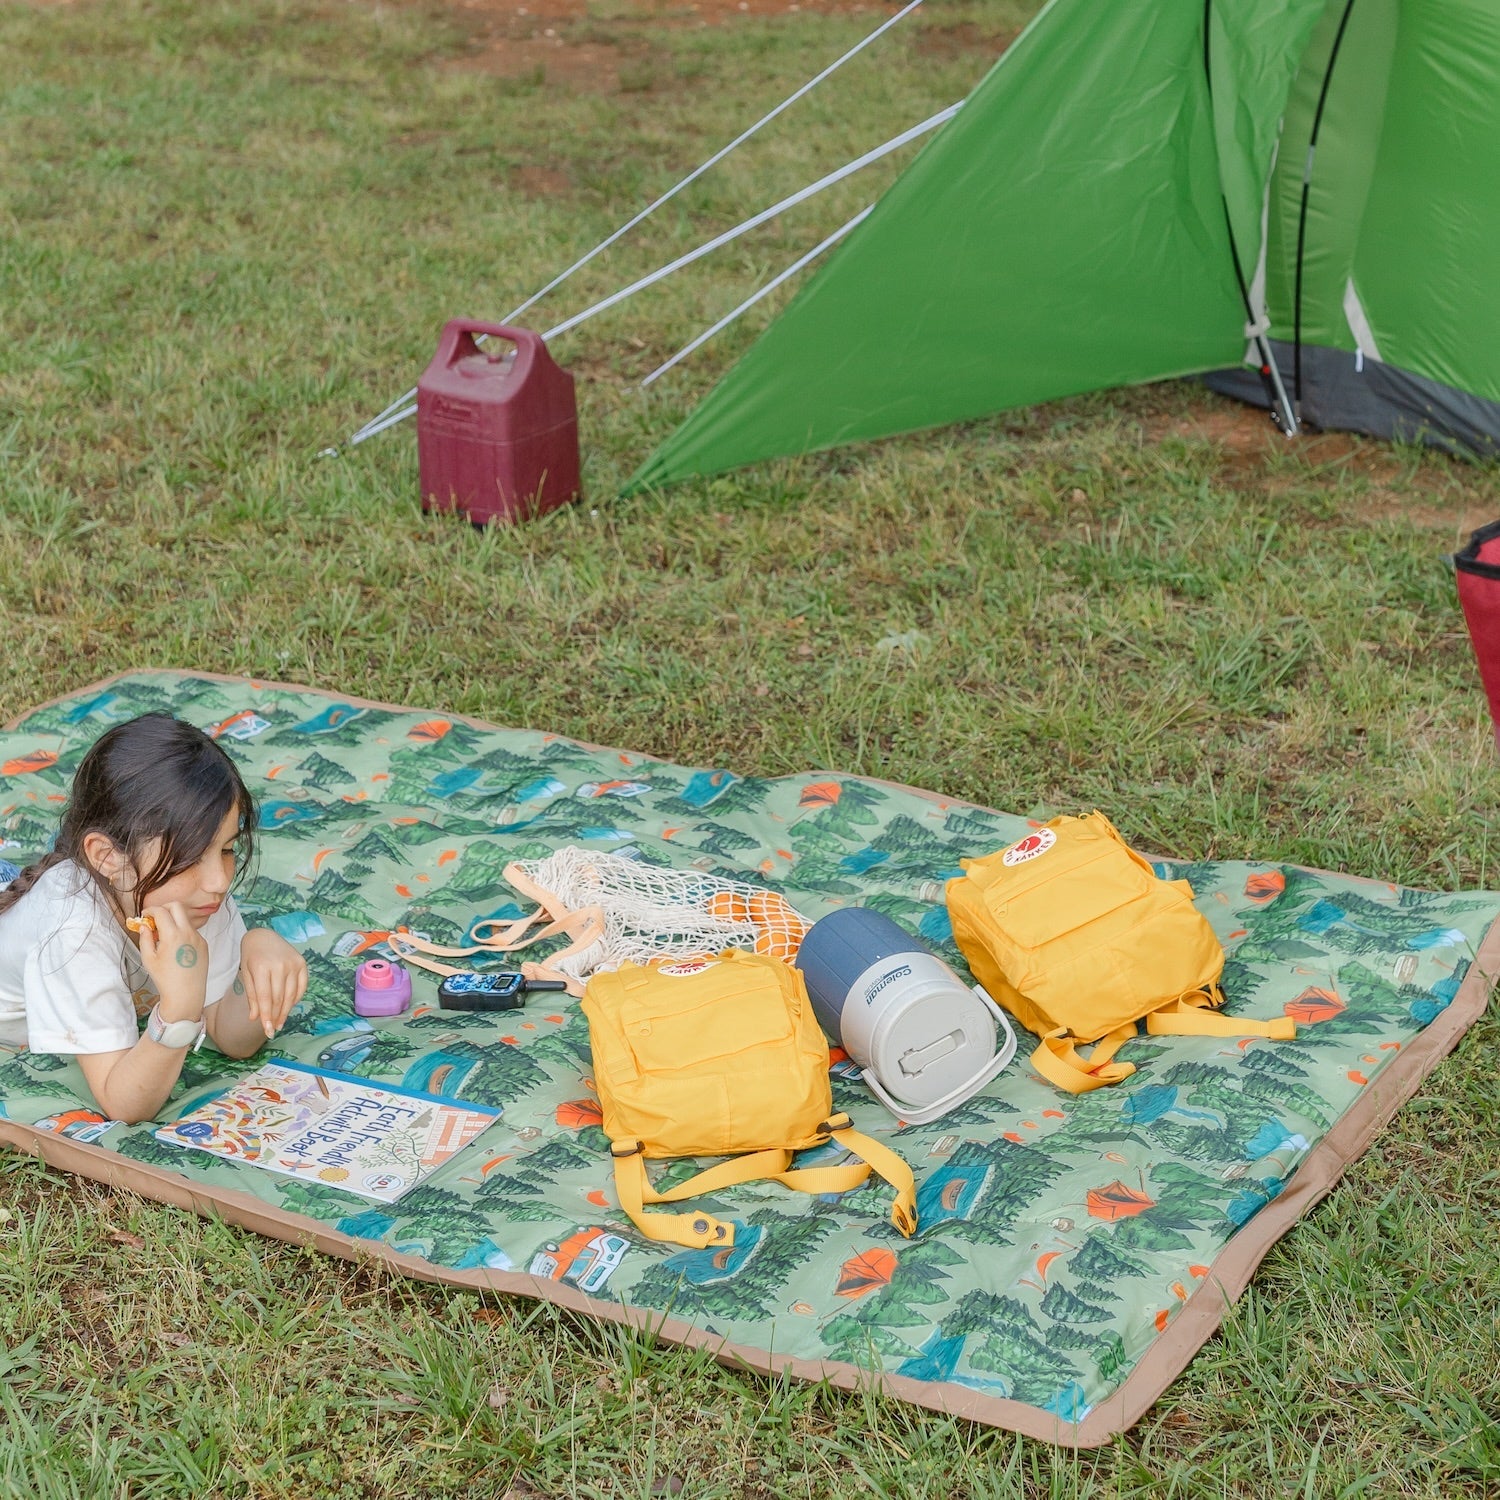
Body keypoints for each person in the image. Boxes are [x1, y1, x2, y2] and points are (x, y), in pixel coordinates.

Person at [0, 713, 307, 1123]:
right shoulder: (72, 933)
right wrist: (178, 1011)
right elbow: (124, 1103)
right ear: (108, 857)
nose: (218, 881)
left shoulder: (193, 898)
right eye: (191, 858)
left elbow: (232, 1037)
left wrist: (257, 959)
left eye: (227, 850)